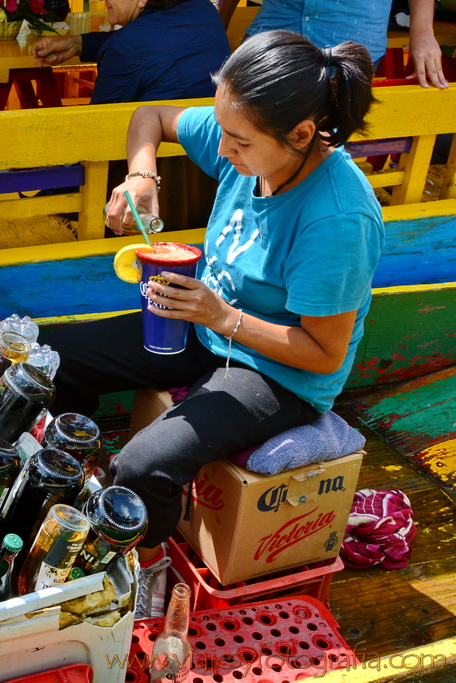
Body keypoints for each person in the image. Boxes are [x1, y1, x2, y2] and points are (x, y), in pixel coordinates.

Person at [40, 30, 385, 618]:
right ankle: (65, 478)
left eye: (238, 141)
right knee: (52, 357)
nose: (223, 149)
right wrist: (141, 177)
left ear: (302, 136)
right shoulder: (253, 131)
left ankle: (146, 569)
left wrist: (221, 315)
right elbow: (150, 114)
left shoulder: (337, 217)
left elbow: (324, 355)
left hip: (279, 371)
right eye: (222, 129)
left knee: (143, 465)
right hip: (204, 325)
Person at [31, 0, 230, 104]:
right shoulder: (203, 11)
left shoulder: (123, 48)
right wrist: (77, 44)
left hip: (153, 166)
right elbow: (153, 40)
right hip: (211, 160)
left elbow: (97, 127)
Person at [242, 0, 449, 89]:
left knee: (322, 141)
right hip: (275, 25)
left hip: (349, 35)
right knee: (248, 131)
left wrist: (423, 33)